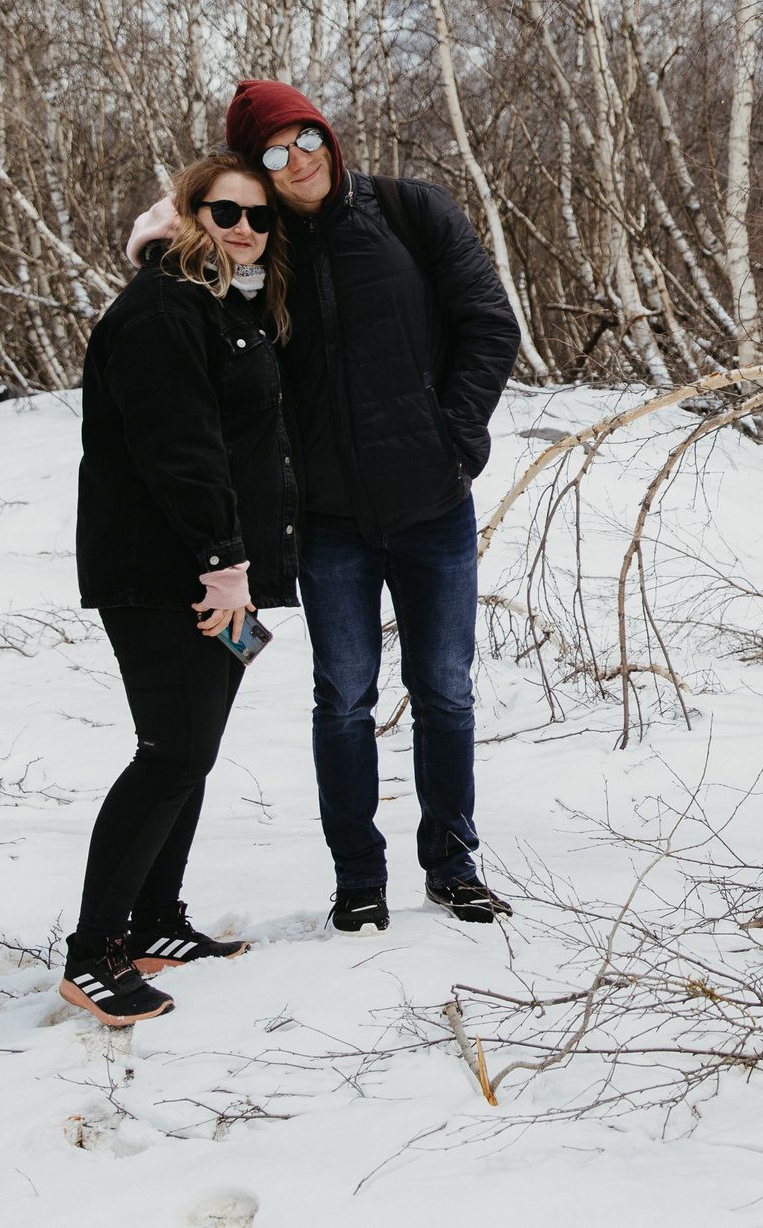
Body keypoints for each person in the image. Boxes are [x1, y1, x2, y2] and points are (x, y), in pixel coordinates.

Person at [130, 79, 521, 933]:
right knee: (343, 696)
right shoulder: (254, 248)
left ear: (329, 135)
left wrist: (453, 441)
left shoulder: (411, 210)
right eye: (272, 151)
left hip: (433, 507)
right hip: (332, 524)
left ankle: (452, 865)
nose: (297, 158)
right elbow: (188, 317)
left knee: (445, 690)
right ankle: (357, 877)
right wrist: (166, 235)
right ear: (251, 169)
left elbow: (490, 323)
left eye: (305, 136)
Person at [65, 152, 299, 1026]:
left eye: (259, 217)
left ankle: (157, 920)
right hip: (167, 571)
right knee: (169, 752)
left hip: (209, 567)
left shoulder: (222, 306)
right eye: (225, 211)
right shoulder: (166, 304)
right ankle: (95, 951)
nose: (244, 228)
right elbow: (180, 447)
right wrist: (223, 561)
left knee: (190, 753)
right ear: (189, 212)